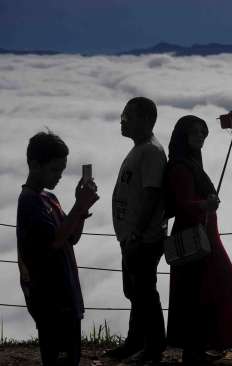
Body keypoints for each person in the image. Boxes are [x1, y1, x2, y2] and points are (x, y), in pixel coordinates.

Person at [164, 115, 232, 364]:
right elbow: (181, 205)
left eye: (203, 132)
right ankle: (195, 350)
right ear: (183, 136)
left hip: (202, 235)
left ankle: (199, 347)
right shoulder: (180, 167)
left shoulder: (189, 163)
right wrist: (206, 204)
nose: (200, 136)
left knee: (201, 292)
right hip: (194, 238)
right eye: (194, 132)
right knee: (198, 293)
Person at [16, 131, 99, 366]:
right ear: (34, 165)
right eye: (54, 170)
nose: (59, 176)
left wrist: (80, 211)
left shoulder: (48, 198)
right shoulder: (29, 203)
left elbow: (71, 237)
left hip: (65, 296)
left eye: (61, 171)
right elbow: (51, 243)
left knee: (70, 357)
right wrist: (79, 205)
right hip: (51, 301)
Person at [107, 97, 167, 363]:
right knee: (135, 292)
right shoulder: (141, 149)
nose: (123, 120)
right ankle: (136, 342)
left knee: (144, 291)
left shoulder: (151, 152)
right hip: (132, 236)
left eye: (128, 116)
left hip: (142, 237)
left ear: (145, 119)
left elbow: (152, 195)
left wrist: (136, 233)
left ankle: (154, 346)